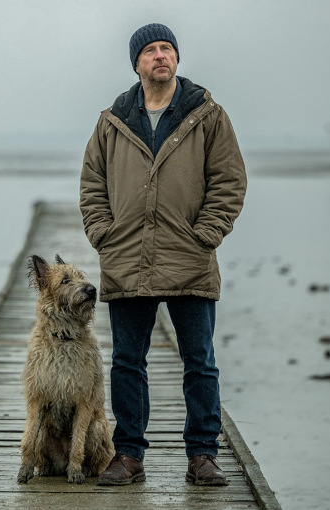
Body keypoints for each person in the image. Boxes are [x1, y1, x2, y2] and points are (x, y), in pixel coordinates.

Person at [79, 23, 247, 486]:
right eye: (150, 50)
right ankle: (129, 455)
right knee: (128, 363)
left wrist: (206, 234)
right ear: (136, 64)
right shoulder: (112, 120)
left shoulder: (207, 115)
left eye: (167, 48)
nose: (160, 56)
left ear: (176, 59)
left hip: (189, 257)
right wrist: (103, 233)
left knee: (200, 362)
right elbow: (92, 184)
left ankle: (202, 456)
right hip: (127, 257)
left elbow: (229, 182)